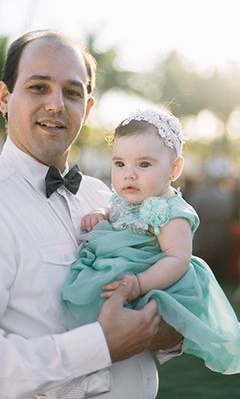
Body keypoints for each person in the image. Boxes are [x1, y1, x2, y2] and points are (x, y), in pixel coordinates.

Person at [0, 30, 174, 398]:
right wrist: (101, 345)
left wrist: (167, 332)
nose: (56, 104)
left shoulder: (105, 196)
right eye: (38, 87)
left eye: (72, 92)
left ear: (88, 108)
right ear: (4, 97)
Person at [61, 109, 240, 375]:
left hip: (149, 276)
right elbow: (116, 213)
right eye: (119, 164)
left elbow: (178, 259)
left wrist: (140, 284)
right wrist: (101, 214)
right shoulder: (122, 199)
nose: (129, 174)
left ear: (174, 169)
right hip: (117, 263)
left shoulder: (171, 212)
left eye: (144, 164)